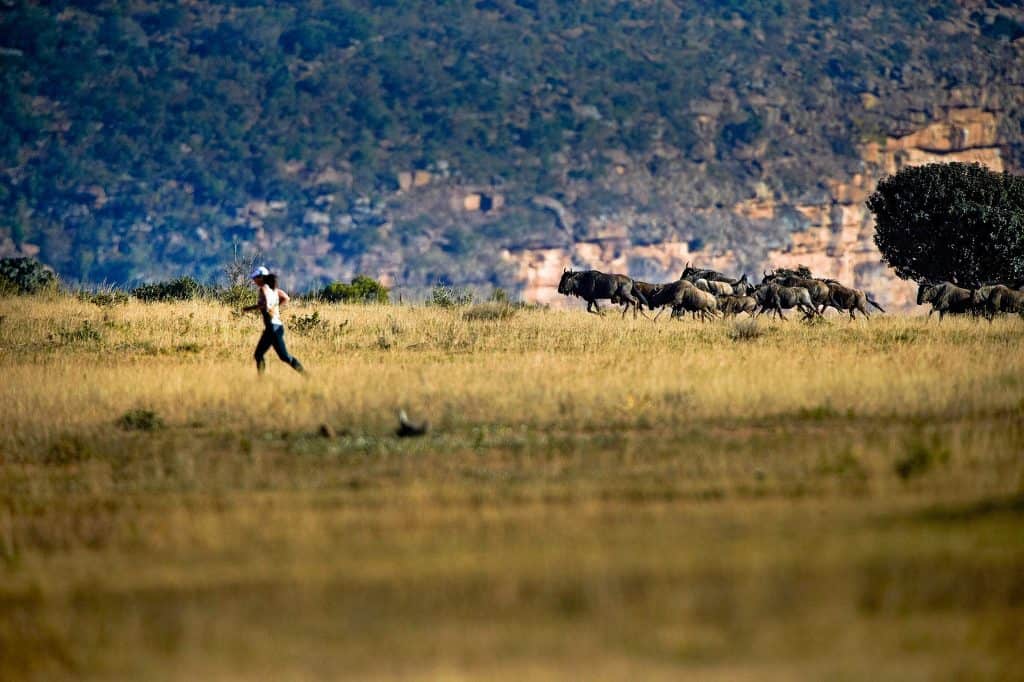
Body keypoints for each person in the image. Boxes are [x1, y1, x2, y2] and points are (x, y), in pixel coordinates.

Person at [243, 266, 305, 375]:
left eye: (256, 278)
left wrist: (263, 307)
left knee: (262, 355)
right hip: (276, 327)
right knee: (283, 357)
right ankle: (305, 375)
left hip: (272, 328)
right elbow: (286, 298)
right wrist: (274, 307)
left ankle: (261, 381)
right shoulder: (274, 289)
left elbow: (266, 301)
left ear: (261, 278)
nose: (254, 280)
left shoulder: (264, 289)